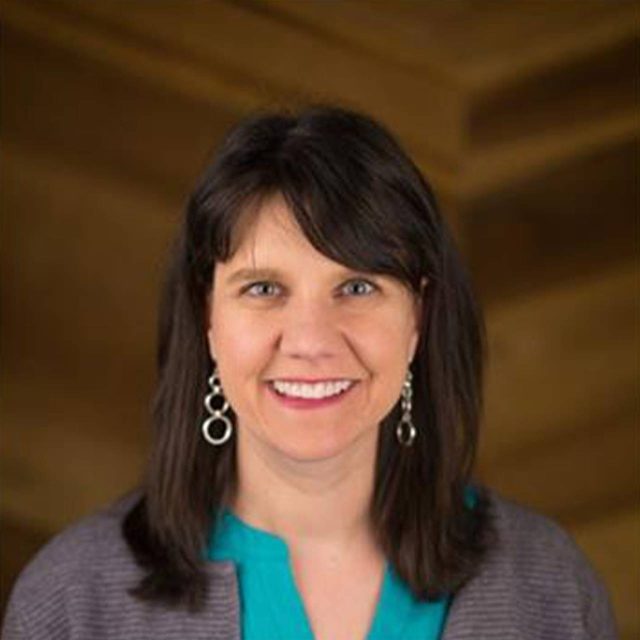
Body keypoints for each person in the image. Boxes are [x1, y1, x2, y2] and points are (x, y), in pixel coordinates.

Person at [2, 105, 617, 640]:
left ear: (418, 318)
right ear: (207, 315)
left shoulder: (551, 588)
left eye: (356, 286)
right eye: (265, 287)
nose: (311, 342)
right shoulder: (74, 600)